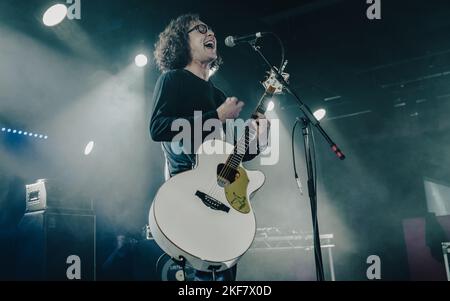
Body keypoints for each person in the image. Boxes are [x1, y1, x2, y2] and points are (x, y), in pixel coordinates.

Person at [149, 13, 269, 281]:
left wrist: (258, 140)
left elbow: (227, 155)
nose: (210, 33)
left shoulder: (218, 95)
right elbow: (157, 128)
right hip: (187, 194)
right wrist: (216, 116)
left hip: (221, 201)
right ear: (181, 41)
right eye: (200, 29)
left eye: (211, 29)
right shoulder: (172, 80)